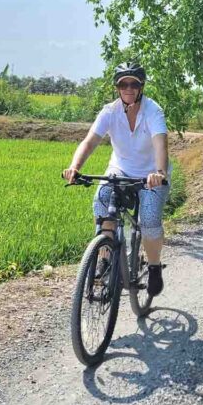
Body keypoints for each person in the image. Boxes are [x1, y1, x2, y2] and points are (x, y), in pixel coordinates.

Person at [63, 63, 171, 296]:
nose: (128, 88)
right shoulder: (109, 112)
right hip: (119, 170)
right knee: (102, 203)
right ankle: (104, 258)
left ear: (141, 87)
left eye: (133, 84)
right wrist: (74, 167)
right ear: (117, 88)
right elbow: (90, 141)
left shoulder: (153, 111)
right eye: (124, 84)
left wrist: (160, 173)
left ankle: (153, 267)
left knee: (150, 219)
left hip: (150, 174)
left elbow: (160, 143)